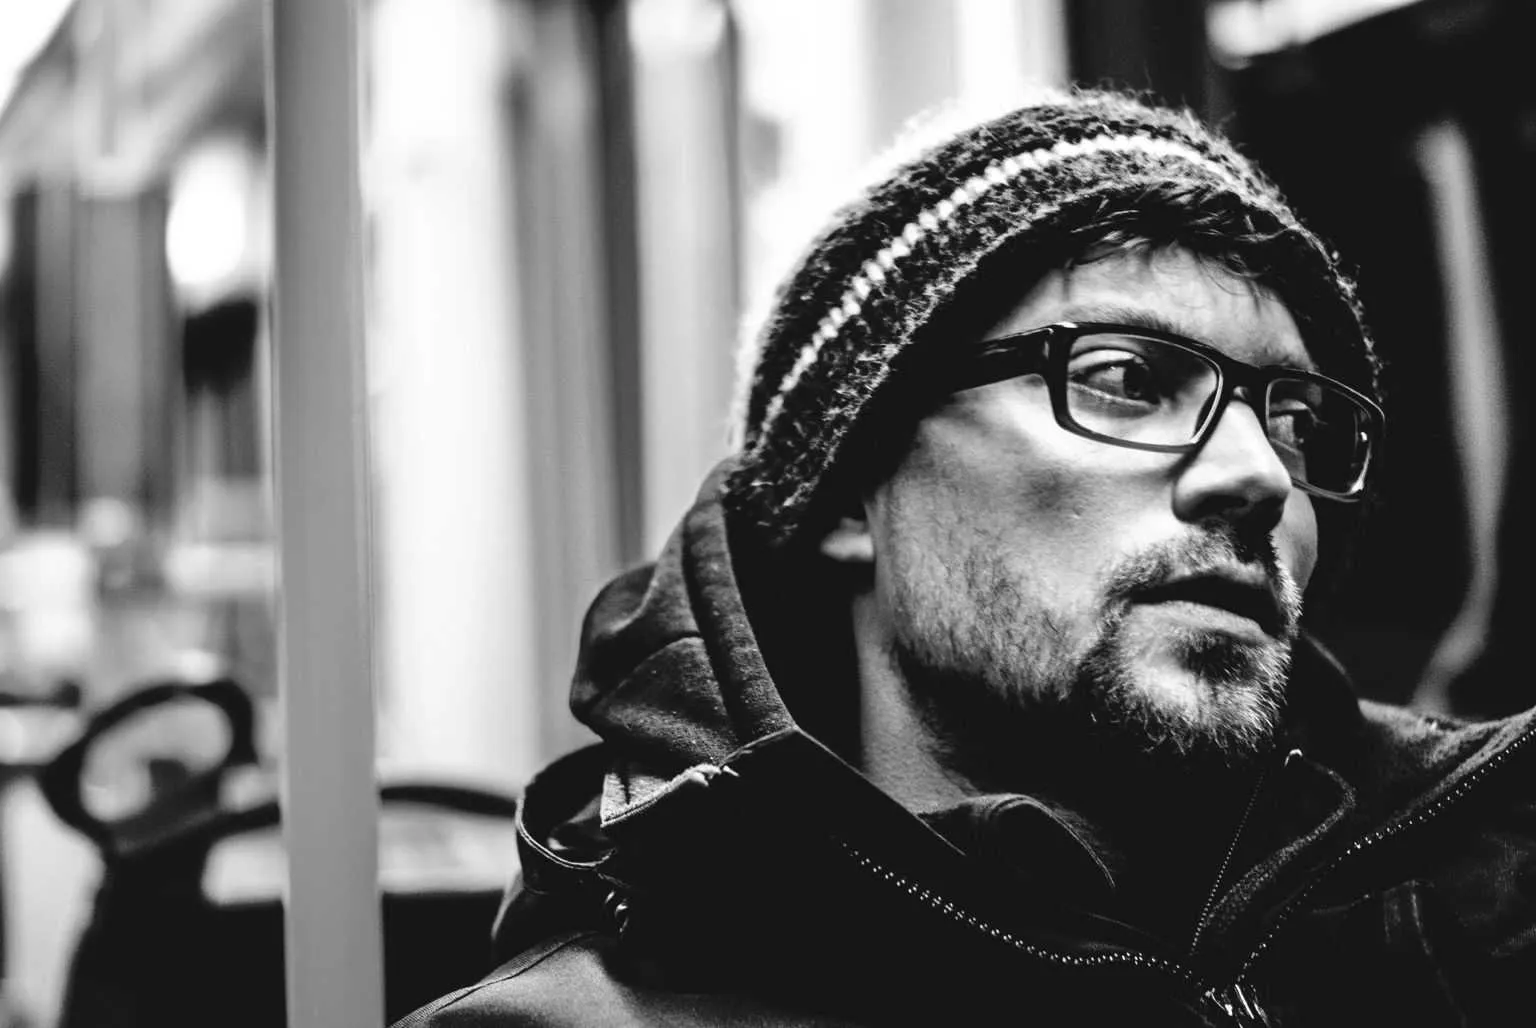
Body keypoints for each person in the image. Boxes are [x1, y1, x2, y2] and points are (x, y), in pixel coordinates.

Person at [394, 90, 1536, 1027]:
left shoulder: (1478, 898)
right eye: (1127, 379)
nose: (1259, 475)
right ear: (850, 493)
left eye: (1292, 417)